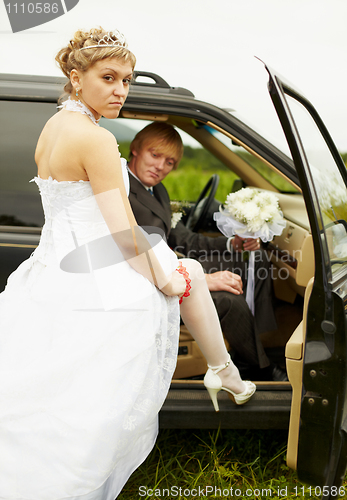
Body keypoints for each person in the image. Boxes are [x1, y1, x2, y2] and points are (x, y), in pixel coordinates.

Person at [0, 28, 255, 500]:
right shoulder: (94, 139)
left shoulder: (53, 128)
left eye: (127, 79)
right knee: (183, 279)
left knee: (47, 393)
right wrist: (163, 279)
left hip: (54, 267)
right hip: (95, 268)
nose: (121, 90)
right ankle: (224, 370)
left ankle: (224, 371)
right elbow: (123, 234)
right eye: (109, 77)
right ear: (76, 78)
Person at [127, 122, 285, 381]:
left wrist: (231, 244)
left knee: (242, 263)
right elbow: (138, 254)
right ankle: (259, 368)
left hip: (167, 268)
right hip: (148, 283)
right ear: (135, 149)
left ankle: (253, 339)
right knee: (230, 301)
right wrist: (204, 280)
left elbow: (180, 239)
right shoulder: (124, 192)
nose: (160, 167)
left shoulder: (156, 189)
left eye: (169, 162)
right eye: (154, 155)